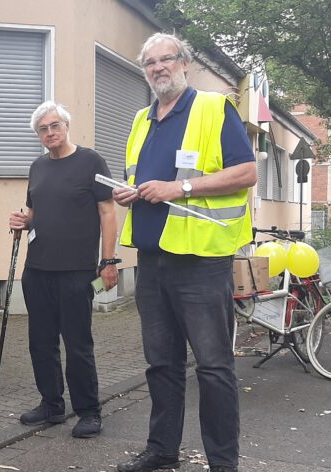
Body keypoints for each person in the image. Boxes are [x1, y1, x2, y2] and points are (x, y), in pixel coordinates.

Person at [111, 33, 256, 472]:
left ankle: (223, 463)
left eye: (166, 59)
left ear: (184, 64)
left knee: (213, 367)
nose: (158, 68)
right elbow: (139, 176)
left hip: (202, 263)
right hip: (153, 262)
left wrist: (182, 187)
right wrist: (128, 193)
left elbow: (247, 171)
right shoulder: (141, 119)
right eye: (149, 63)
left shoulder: (213, 108)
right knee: (161, 364)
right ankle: (161, 450)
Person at [8, 101, 119, 439]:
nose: (50, 132)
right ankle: (52, 405)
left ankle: (89, 411)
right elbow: (35, 210)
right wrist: (23, 221)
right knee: (40, 342)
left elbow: (107, 212)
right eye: (43, 129)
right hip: (37, 268)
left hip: (77, 270)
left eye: (55, 125)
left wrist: (109, 261)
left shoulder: (90, 161)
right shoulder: (37, 167)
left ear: (67, 126)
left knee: (78, 343)